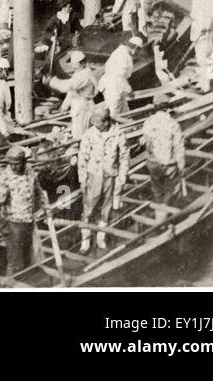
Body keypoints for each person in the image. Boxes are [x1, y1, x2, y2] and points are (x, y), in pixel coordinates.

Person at [0, 145, 46, 276]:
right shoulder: (4, 179)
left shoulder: (30, 173)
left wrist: (45, 207)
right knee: (15, 262)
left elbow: (39, 191)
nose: (13, 167)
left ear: (24, 162)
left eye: (17, 164)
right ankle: (10, 284)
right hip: (12, 225)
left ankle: (25, 279)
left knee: (28, 257)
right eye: (11, 164)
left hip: (28, 222)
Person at [77, 107, 129, 253]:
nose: (94, 123)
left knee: (106, 209)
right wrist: (82, 179)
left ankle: (101, 238)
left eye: (97, 121)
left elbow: (125, 157)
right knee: (88, 208)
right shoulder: (89, 134)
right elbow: (83, 157)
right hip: (93, 175)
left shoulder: (118, 134)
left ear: (106, 122)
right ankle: (85, 241)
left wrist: (122, 178)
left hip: (110, 176)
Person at [141, 95, 186, 204]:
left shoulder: (147, 122)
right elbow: (178, 147)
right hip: (168, 163)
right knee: (171, 190)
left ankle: (159, 206)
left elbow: (145, 142)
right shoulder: (173, 124)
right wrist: (182, 166)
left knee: (157, 189)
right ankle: (167, 210)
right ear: (167, 108)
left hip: (152, 163)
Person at [46, 49, 98, 144]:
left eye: (75, 64)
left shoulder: (84, 75)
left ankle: (82, 152)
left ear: (82, 63)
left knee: (81, 134)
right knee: (77, 131)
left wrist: (51, 81)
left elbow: (67, 86)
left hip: (83, 107)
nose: (73, 66)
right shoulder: (78, 73)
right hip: (78, 105)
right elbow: (71, 92)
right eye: (72, 64)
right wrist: (64, 106)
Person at [188, 0, 213, 92]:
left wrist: (206, 27)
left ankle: (206, 86)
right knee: (201, 56)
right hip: (199, 28)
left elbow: (211, 14)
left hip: (203, 30)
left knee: (203, 57)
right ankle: (203, 82)